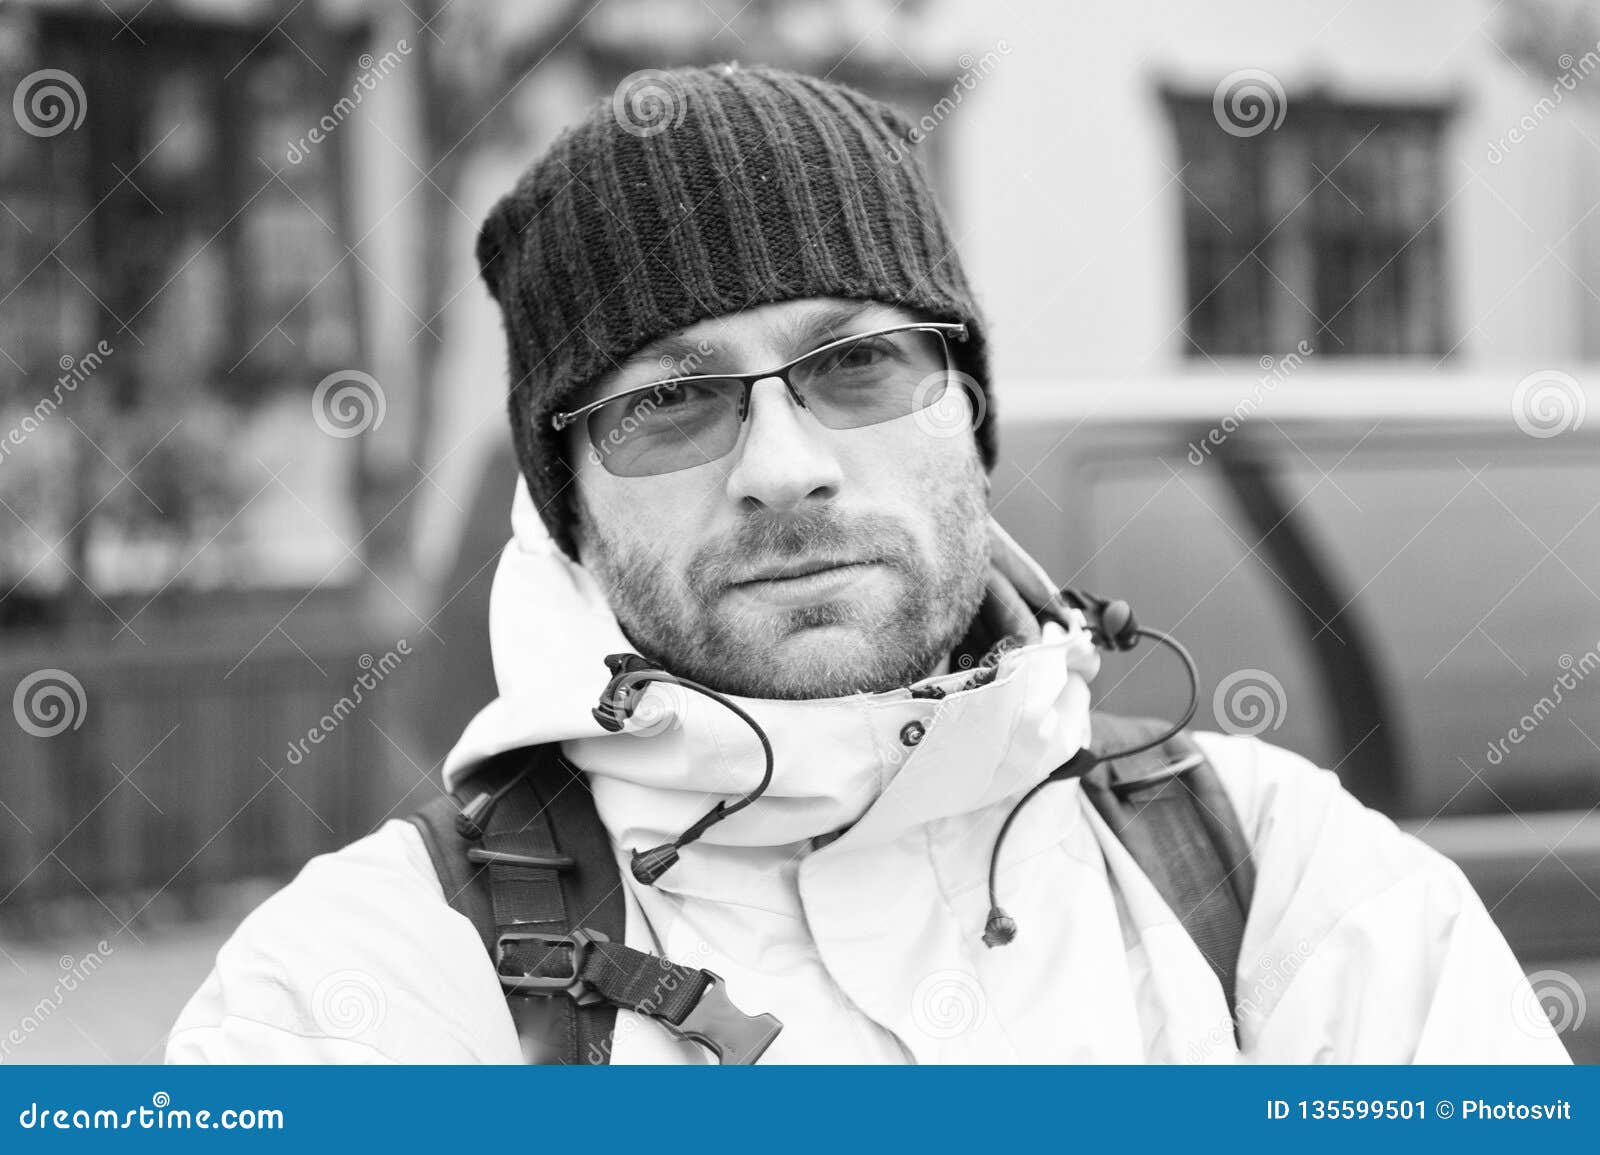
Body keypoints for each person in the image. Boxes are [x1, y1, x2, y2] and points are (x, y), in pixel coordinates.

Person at [166, 63, 1568, 1064]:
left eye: (856, 365)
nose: (783, 465)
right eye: (672, 398)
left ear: (966, 411)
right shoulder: (365, 986)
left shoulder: (1288, 887)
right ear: (571, 503)